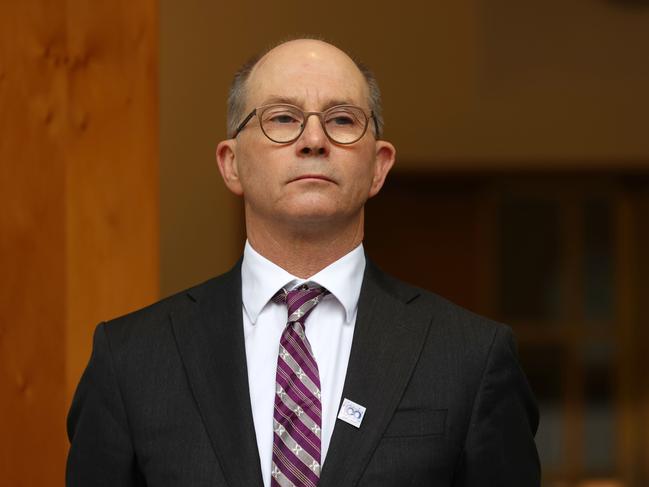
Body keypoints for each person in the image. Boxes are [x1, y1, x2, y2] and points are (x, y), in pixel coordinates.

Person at [66, 38, 540, 487]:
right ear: (231, 163)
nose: (313, 140)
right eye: (283, 118)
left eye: (341, 120)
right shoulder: (131, 360)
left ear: (379, 166)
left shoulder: (470, 358)